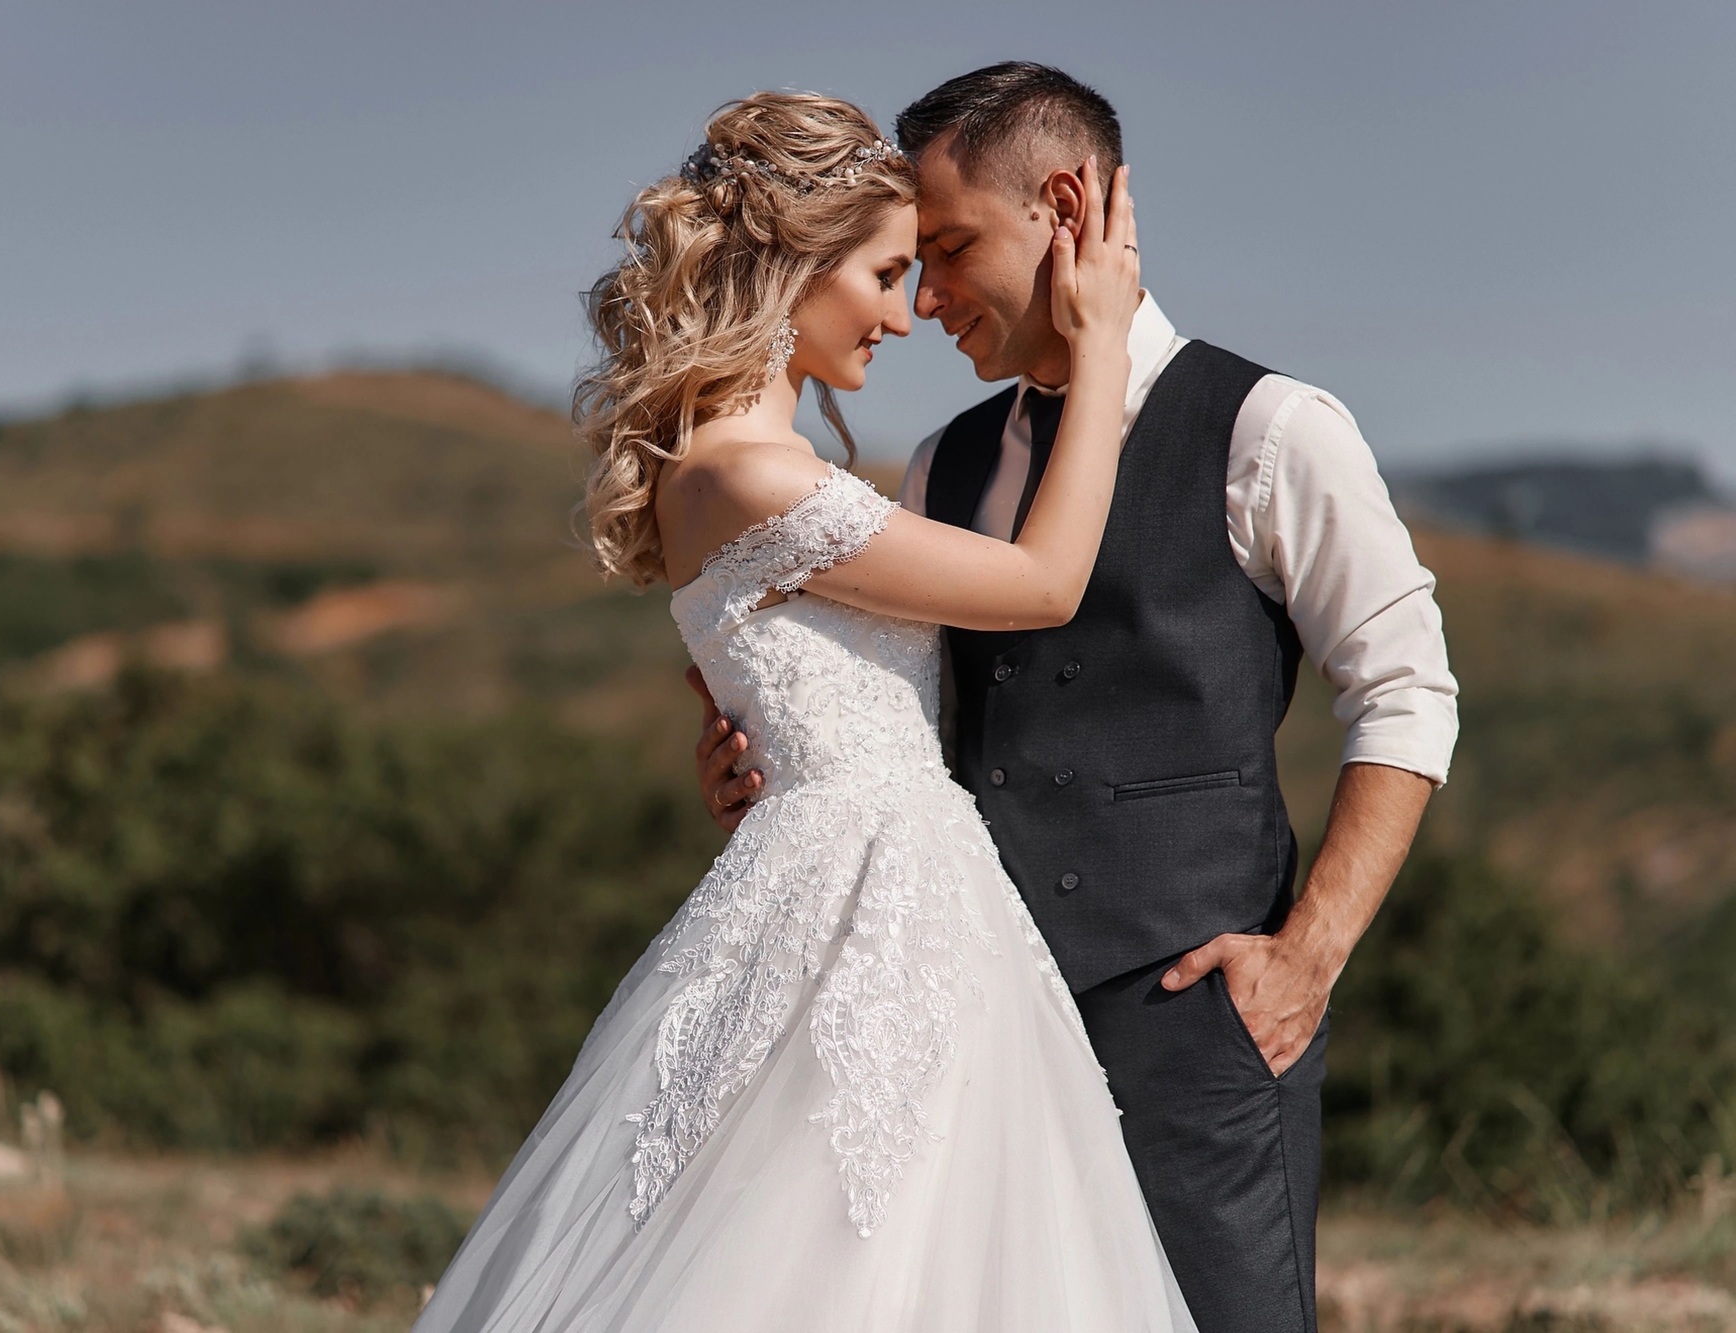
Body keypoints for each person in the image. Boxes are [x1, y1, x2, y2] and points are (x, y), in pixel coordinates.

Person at [692, 63, 1461, 1332]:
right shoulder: (941, 462)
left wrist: (1303, 959)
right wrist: (764, 764)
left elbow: (1405, 694)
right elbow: (920, 732)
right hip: (971, 1032)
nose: (924, 296)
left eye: (946, 249)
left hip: (1197, 1029)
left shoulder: (1269, 429)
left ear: (1061, 206)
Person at [415, 90, 1197, 1332]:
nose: (905, 311)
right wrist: (1100, 344)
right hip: (863, 886)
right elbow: (1041, 586)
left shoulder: (739, 470)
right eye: (886, 272)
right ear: (797, 263)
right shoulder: (748, 471)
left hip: (859, 877)